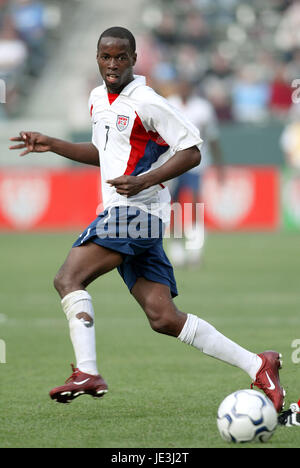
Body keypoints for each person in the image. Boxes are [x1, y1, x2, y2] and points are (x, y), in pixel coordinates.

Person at [10, 26, 285, 412]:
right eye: (105, 56)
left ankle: (87, 371)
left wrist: (144, 179)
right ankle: (259, 365)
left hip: (137, 213)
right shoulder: (97, 99)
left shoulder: (148, 101)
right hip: (130, 213)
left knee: (68, 278)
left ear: (134, 59)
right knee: (163, 317)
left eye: (121, 57)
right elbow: (104, 153)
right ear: (97, 57)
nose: (112, 64)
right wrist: (52, 143)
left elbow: (192, 151)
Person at [167, 79, 223, 267]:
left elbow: (213, 137)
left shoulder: (203, 108)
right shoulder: (169, 103)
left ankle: (195, 247)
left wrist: (220, 165)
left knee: (194, 205)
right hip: (172, 164)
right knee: (174, 206)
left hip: (196, 163)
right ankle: (176, 248)